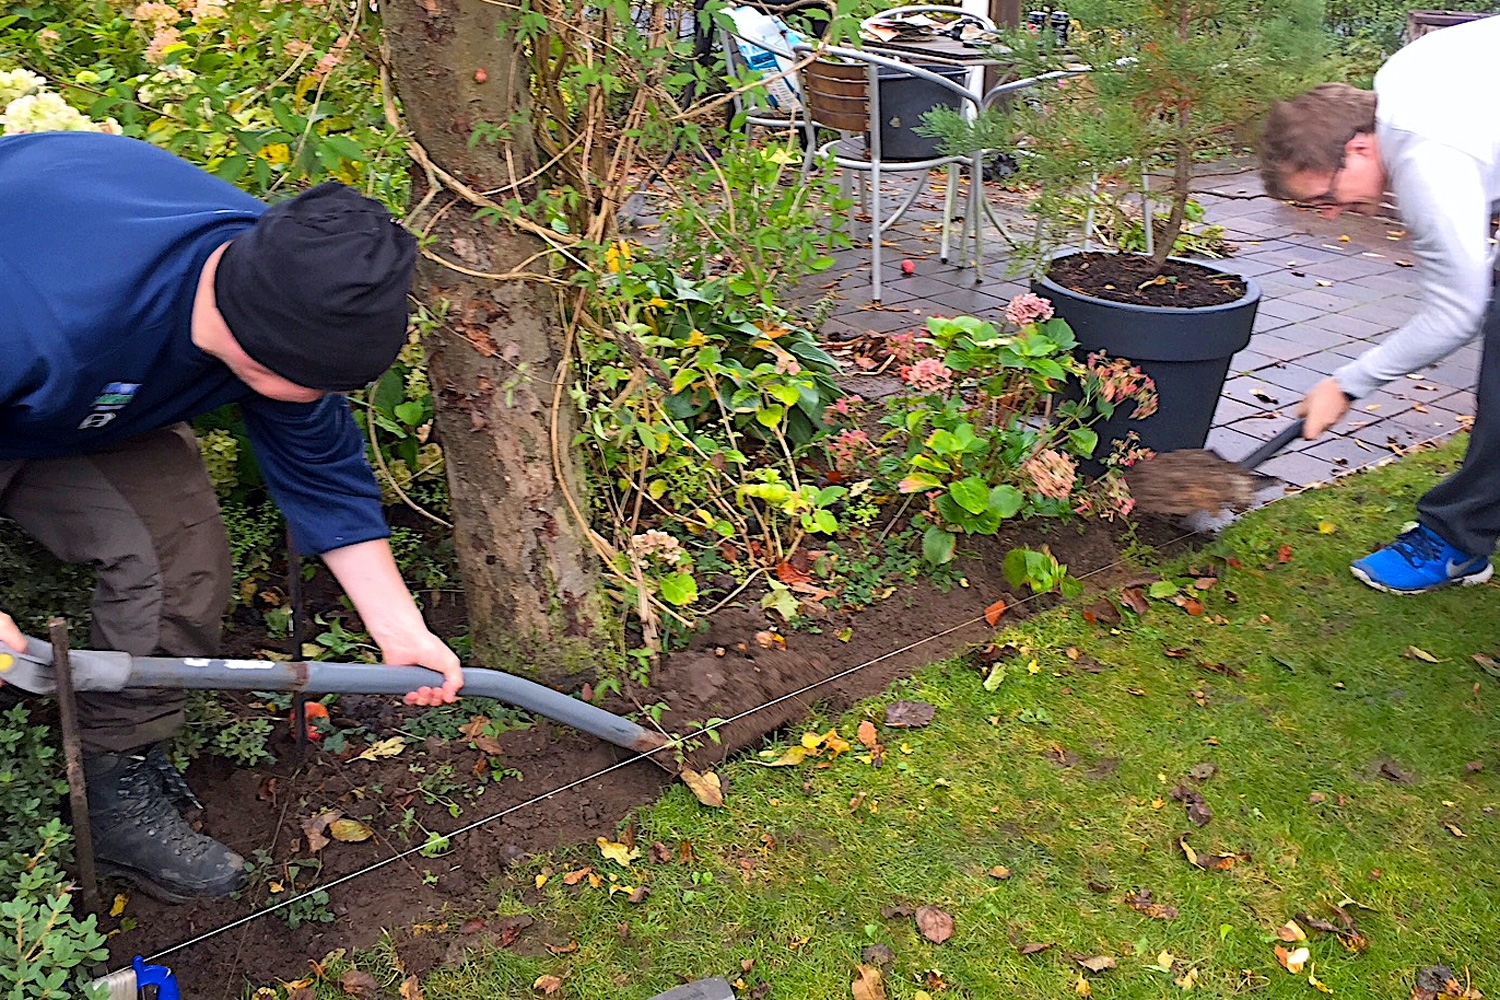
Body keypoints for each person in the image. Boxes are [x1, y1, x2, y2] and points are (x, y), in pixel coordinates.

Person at [0, 131, 465, 903]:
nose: (321, 399)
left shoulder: (290, 278)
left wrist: (401, 631)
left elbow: (321, 465)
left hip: (71, 398)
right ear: (262, 350)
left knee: (175, 551)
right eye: (313, 382)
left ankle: (117, 788)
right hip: (40, 345)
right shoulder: (41, 313)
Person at [1258, 15, 1500, 594]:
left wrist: (1346, 384)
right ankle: (1461, 534)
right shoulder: (1399, 82)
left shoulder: (1424, 160)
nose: (1333, 215)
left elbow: (1455, 312)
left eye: (1325, 198)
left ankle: (1456, 542)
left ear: (1359, 148)